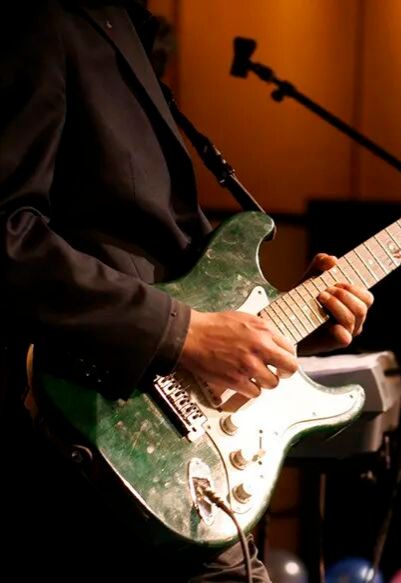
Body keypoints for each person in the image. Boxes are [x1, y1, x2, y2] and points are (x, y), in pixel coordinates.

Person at [0, 1, 374, 581]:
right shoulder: (44, 19)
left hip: (168, 456)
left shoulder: (125, 28)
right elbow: (8, 233)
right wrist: (181, 332)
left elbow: (165, 267)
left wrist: (282, 327)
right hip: (91, 433)